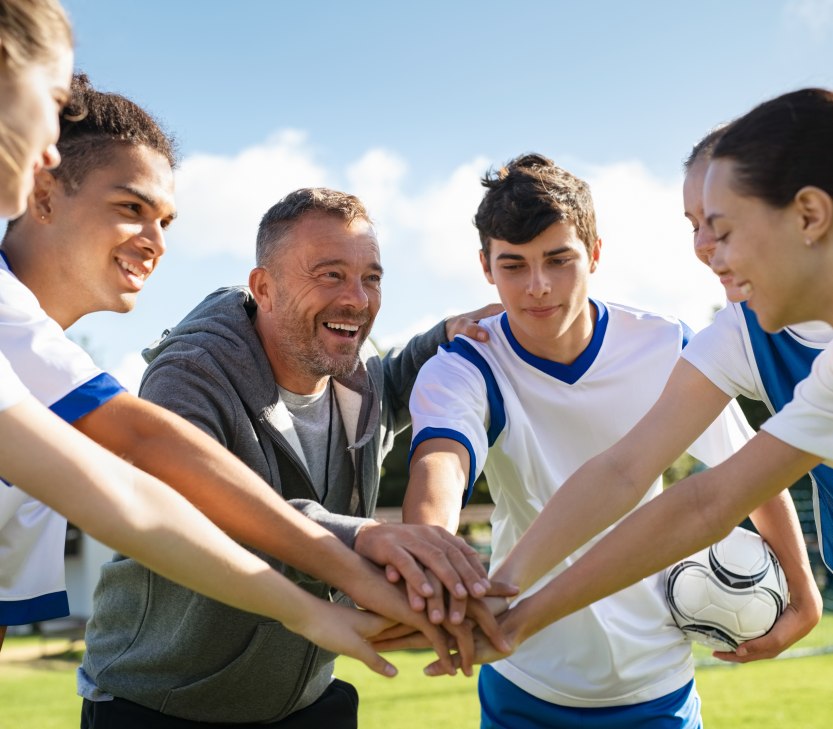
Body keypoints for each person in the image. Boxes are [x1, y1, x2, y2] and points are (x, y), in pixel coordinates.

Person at [0, 74, 499, 668]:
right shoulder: (33, 331)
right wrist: (355, 559)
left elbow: (138, 503)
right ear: (42, 192)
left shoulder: (39, 368)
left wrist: (452, 333)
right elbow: (152, 460)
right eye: (131, 207)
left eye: (166, 221)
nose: (156, 241)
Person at [402, 153, 813, 728]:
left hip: (658, 681)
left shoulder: (666, 345)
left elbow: (744, 473)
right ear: (486, 268)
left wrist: (801, 590)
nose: (538, 286)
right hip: (525, 678)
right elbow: (441, 463)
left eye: (559, 260)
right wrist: (428, 557)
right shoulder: (466, 365)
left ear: (595, 254)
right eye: (514, 265)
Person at [77, 186, 508, 728]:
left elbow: (393, 384)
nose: (357, 298)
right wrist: (364, 535)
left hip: (303, 701)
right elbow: (205, 510)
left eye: (370, 278)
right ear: (265, 287)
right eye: (329, 274)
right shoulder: (187, 374)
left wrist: (442, 336)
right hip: (161, 704)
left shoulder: (357, 374)